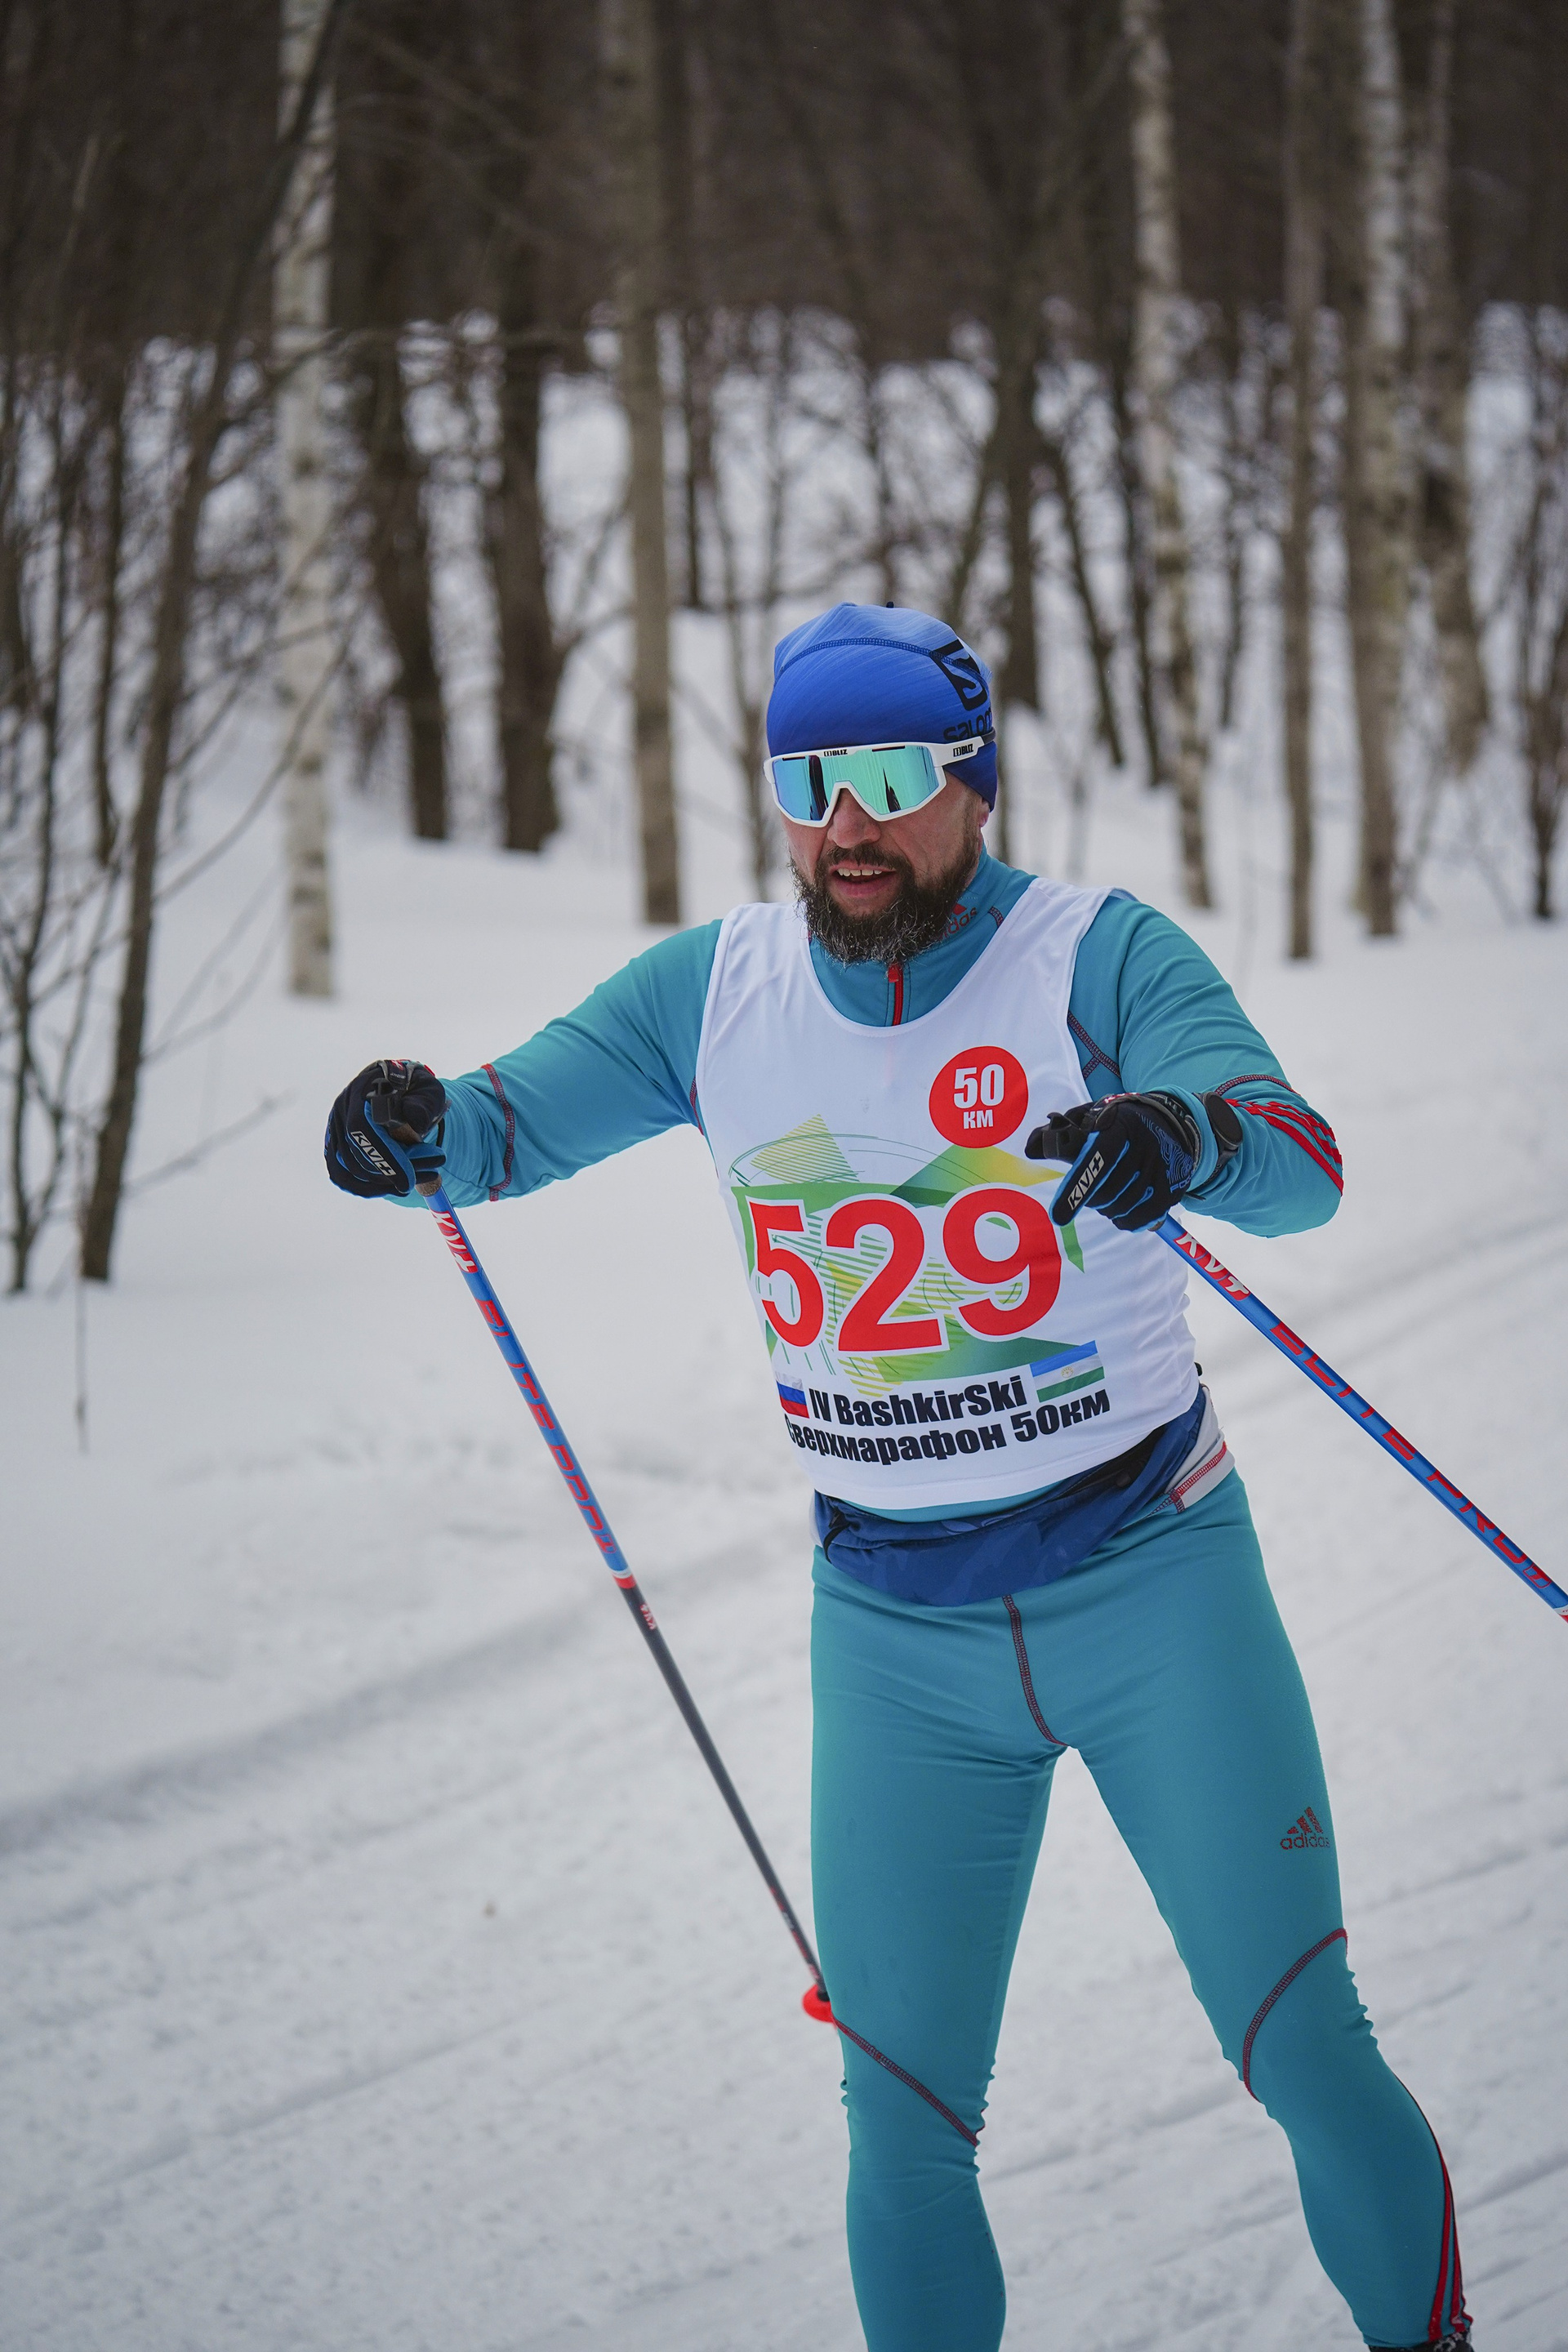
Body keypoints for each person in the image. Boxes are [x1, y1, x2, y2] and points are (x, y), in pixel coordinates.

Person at [325, 602, 1470, 2352]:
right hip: (892, 1639)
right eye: (807, 781)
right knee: (905, 2128)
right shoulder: (714, 992)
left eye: (885, 774)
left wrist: (1182, 1133)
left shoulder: (1098, 957)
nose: (846, 822)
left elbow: (1297, 1164)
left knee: (1305, 2047)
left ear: (976, 783)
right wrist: (409, 1129)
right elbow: (493, 1130)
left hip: (1151, 1580)